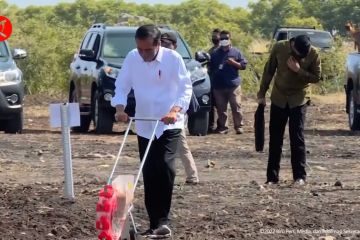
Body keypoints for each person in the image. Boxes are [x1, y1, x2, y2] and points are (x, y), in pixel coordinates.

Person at [111, 24, 192, 238]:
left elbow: (186, 87)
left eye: (148, 49)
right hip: (144, 123)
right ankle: (155, 223)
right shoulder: (131, 58)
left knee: (165, 167)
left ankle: (163, 221)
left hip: (168, 123)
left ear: (158, 44)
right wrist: (120, 108)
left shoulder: (173, 58)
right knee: (148, 171)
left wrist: (175, 110)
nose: (143, 54)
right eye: (140, 49)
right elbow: (121, 85)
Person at [257, 35, 321, 186]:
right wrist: (261, 93)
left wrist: (299, 70)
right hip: (279, 97)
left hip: (298, 99)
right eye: (299, 54)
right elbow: (269, 70)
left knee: (297, 137)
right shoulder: (280, 47)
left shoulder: (314, 53)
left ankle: (300, 177)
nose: (300, 57)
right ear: (292, 45)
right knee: (275, 138)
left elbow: (317, 77)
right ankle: (272, 178)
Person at [161, 31, 199, 185]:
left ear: (174, 46)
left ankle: (192, 176)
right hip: (162, 110)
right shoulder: (158, 60)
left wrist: (176, 109)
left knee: (181, 144)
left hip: (177, 111)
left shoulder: (177, 62)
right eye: (161, 43)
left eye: (167, 44)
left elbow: (185, 89)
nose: (164, 46)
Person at [208, 30, 247, 134]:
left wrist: (234, 63)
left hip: (233, 85)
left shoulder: (236, 52)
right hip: (218, 86)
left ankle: (239, 127)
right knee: (221, 108)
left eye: (226, 38)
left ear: (230, 39)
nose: (224, 40)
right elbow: (209, 68)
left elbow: (243, 66)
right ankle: (223, 128)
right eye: (222, 38)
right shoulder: (214, 53)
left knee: (236, 106)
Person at [208, 28, 221, 133]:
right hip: (211, 81)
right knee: (211, 105)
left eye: (216, 36)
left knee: (221, 105)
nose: (214, 38)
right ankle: (210, 126)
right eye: (213, 36)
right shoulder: (211, 51)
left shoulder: (225, 50)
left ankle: (221, 126)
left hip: (221, 82)